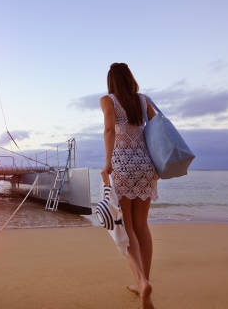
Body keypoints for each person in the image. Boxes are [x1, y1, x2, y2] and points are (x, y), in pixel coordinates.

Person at [100, 62, 158, 309]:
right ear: (130, 78)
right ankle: (143, 280)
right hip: (146, 165)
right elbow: (156, 129)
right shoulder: (143, 100)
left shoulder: (108, 100)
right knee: (142, 225)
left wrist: (107, 163)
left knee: (127, 226)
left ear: (111, 81)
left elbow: (110, 130)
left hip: (123, 165)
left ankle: (141, 281)